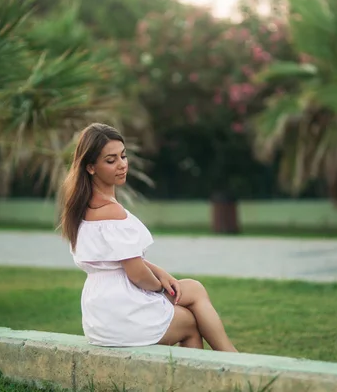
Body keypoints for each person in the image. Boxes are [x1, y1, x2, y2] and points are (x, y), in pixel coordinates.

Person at [59, 123, 237, 352]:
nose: (122, 165)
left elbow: (123, 259)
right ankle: (230, 358)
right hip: (122, 311)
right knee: (190, 322)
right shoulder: (112, 212)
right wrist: (161, 290)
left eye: (123, 156)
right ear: (91, 167)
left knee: (193, 289)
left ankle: (228, 355)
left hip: (99, 315)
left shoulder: (81, 208)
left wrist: (161, 273)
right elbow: (137, 274)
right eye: (111, 160)